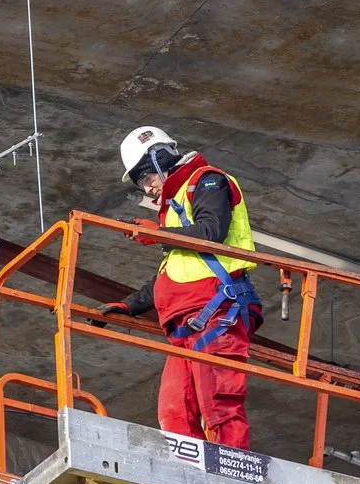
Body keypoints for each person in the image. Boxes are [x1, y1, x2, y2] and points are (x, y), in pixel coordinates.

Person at [101, 126, 262, 449]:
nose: (147, 188)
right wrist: (128, 305)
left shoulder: (208, 181)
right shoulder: (175, 210)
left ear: (160, 159)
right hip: (187, 325)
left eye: (146, 177)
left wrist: (161, 234)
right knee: (174, 410)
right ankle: (191, 471)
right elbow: (172, 273)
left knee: (217, 402)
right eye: (140, 182)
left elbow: (212, 230)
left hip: (219, 313)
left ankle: (230, 471)